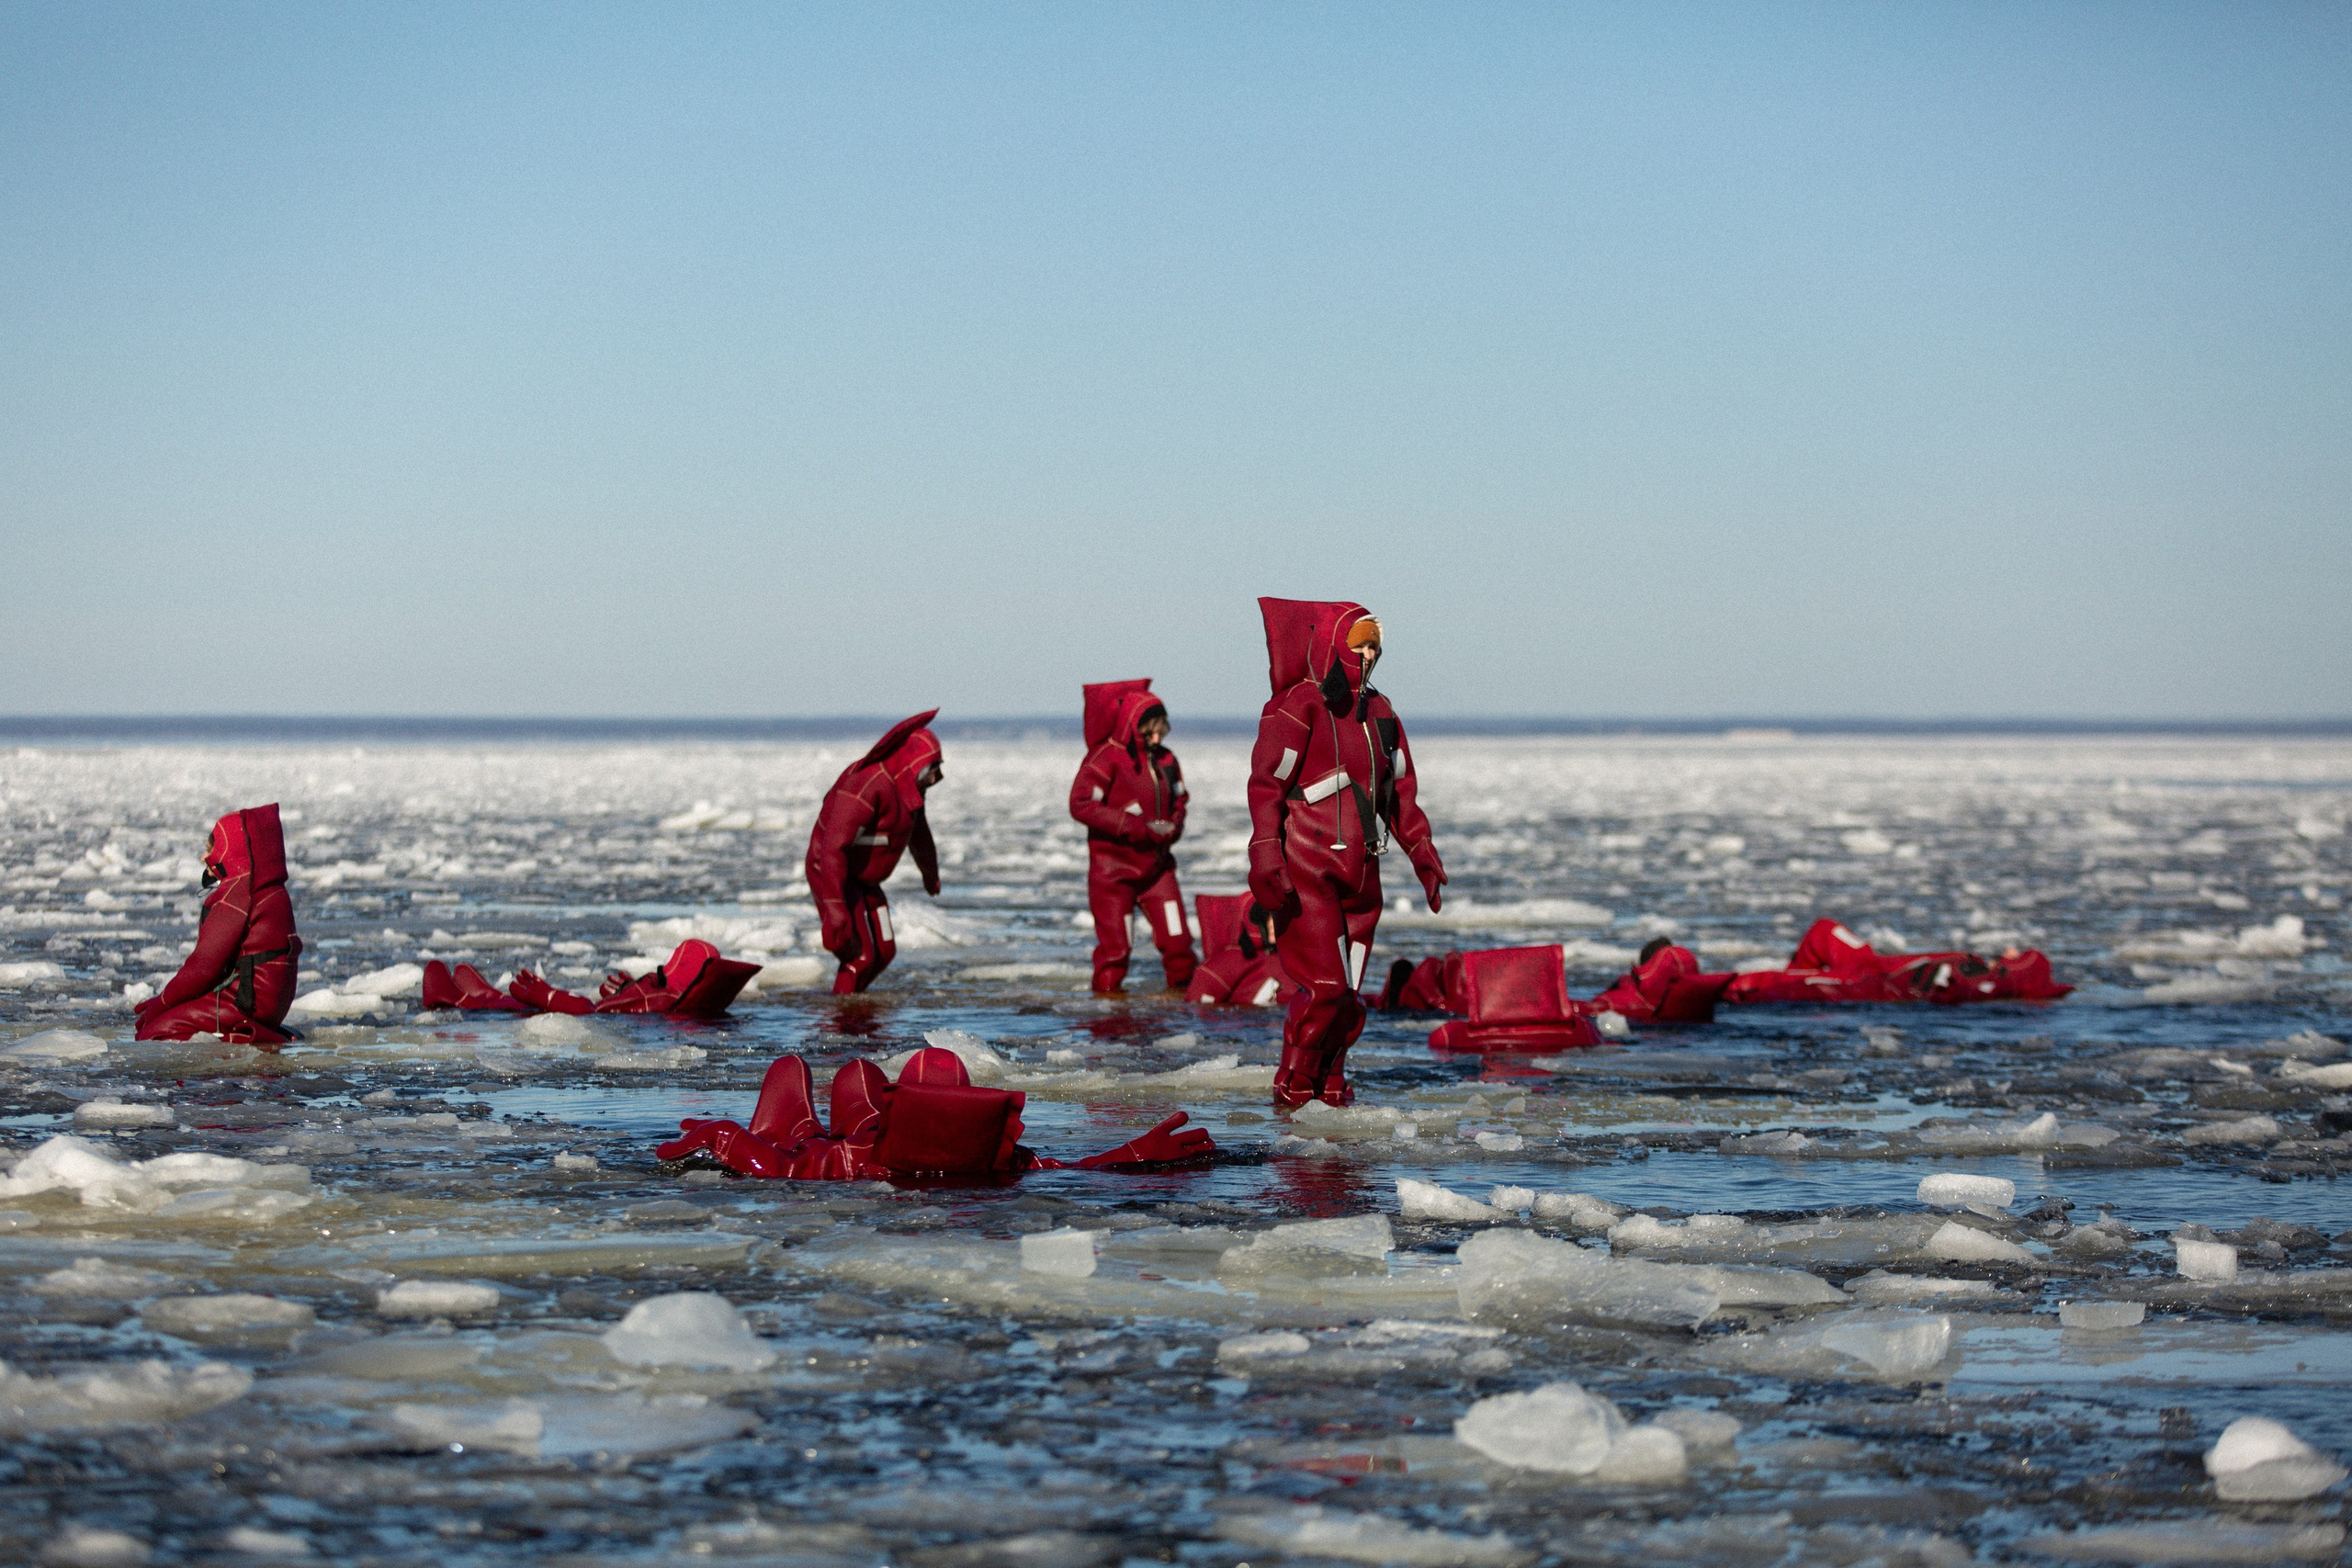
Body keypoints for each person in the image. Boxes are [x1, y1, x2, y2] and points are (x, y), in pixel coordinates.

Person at [1247, 598, 1445, 1108]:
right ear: (1336, 644)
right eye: (1361, 642)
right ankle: (1294, 1081)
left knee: (1349, 991)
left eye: (1377, 643)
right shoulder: (1299, 705)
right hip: (1308, 866)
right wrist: (1266, 851)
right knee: (1326, 987)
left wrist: (1421, 850)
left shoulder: (1381, 712)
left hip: (1363, 870)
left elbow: (1399, 791)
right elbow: (1267, 785)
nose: (1371, 652)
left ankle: (1329, 1082)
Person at [655, 1045, 1216, 1179]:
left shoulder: (856, 1159)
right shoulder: (995, 1159)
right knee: (853, 1076)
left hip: (853, 1137)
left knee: (841, 1077)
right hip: (876, 1129)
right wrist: (1134, 1152)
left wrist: (722, 1137)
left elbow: (784, 1167)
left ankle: (807, 1114)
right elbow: (1064, 1170)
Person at [134, 804, 302, 1049]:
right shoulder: (267, 887)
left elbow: (204, 968)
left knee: (153, 1033)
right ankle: (257, 1032)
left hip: (245, 1002)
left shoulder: (238, 894)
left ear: (230, 849)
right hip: (267, 1002)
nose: (204, 857)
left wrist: (161, 1003)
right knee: (172, 1017)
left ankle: (243, 1039)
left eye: (211, 849)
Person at [1069, 681, 1197, 994]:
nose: (1156, 739)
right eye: (1149, 733)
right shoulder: (1106, 759)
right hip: (1114, 875)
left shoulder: (1167, 760)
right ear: (1132, 727)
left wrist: (1175, 824)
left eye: (1160, 732)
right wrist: (1136, 826)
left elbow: (1180, 799)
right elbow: (1081, 803)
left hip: (1157, 871)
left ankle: (1186, 1007)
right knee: (1116, 951)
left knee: (1178, 941)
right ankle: (1108, 1017)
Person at [805, 712, 944, 995]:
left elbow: (920, 836)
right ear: (913, 764)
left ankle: (857, 1005)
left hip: (866, 882)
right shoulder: (866, 787)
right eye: (933, 766)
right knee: (859, 955)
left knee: (885, 950)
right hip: (833, 875)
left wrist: (930, 874)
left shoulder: (909, 792)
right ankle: (840, 1019)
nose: (937, 776)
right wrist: (834, 907)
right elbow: (832, 849)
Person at [1723, 918, 2073, 1006]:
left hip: (1876, 985)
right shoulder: (1975, 965)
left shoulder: (1989, 980)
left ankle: (1725, 988)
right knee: (1825, 930)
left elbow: (1953, 992)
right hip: (1872, 967)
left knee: (1781, 985)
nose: (2010, 949)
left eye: (2018, 954)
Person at [423, 939, 762, 1017]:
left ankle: (468, 1000)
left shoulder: (662, 999)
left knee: (525, 1008)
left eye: (659, 975)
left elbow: (592, 1014)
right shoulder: (672, 1001)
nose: (654, 977)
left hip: (573, 1014)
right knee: (521, 1005)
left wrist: (552, 998)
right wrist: (628, 991)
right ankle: (487, 997)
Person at [1184, 893, 1297, 1008]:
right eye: (1268, 918)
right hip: (1248, 1019)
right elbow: (1199, 1002)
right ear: (1259, 921)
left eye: (1277, 918)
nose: (1273, 925)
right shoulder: (1234, 960)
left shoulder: (1293, 957)